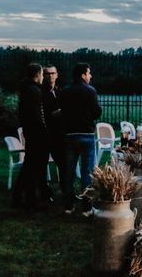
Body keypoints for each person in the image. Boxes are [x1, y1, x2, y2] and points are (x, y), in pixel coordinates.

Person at [60, 62, 102, 214]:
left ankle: (68, 206)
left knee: (69, 172)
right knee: (87, 173)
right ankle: (86, 207)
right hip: (86, 135)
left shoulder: (65, 91)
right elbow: (97, 112)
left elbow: (62, 111)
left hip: (69, 134)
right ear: (83, 75)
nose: (90, 76)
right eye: (89, 73)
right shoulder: (90, 91)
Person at [12, 63, 49, 210]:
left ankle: (22, 197)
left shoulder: (27, 89)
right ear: (37, 74)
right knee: (32, 167)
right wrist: (44, 130)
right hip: (36, 134)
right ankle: (29, 199)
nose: (42, 77)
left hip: (31, 132)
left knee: (29, 166)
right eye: (41, 74)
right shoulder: (33, 91)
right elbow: (37, 115)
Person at [42, 65, 64, 194]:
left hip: (59, 133)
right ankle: (44, 192)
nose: (50, 76)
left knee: (62, 163)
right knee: (41, 164)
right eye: (47, 73)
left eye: (53, 73)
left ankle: (65, 190)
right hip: (46, 132)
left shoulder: (60, 91)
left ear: (57, 75)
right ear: (43, 75)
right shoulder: (41, 92)